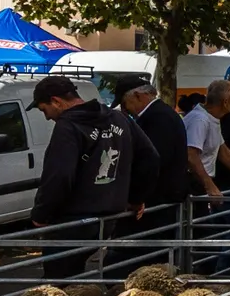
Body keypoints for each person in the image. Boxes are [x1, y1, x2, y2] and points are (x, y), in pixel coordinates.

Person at [31, 74, 160, 280]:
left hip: (73, 219)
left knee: (58, 282)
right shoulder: (118, 118)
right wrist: (136, 198)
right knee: (78, 279)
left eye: (44, 110)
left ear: (56, 101)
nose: (47, 117)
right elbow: (150, 157)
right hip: (109, 216)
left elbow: (59, 175)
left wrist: (41, 214)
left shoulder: (68, 126)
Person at [113, 74, 190, 211]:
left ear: (138, 96)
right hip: (162, 195)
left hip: (158, 198)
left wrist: (137, 198)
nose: (125, 109)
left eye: (125, 104)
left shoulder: (158, 117)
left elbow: (152, 160)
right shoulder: (161, 113)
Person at [182, 80, 230, 204]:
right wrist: (210, 186)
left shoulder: (211, 118)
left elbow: (224, 152)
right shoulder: (200, 119)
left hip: (200, 182)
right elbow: (191, 155)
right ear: (225, 102)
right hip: (194, 183)